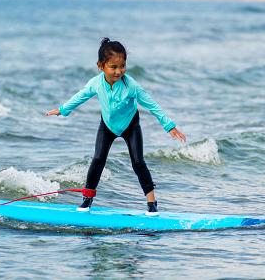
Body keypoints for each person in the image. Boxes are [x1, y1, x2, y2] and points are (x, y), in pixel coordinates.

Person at [46, 38, 186, 216]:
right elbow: (80, 96)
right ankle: (87, 199)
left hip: (130, 124)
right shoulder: (96, 83)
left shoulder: (131, 85)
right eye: (113, 67)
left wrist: (170, 126)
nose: (119, 71)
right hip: (108, 124)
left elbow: (152, 104)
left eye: (122, 66)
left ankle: (152, 203)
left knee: (138, 162)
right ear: (100, 66)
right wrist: (62, 110)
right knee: (98, 159)